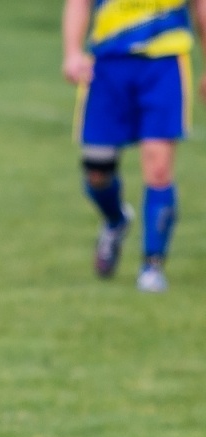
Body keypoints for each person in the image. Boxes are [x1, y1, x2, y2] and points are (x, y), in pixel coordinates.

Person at [63, 0, 206, 291]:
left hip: (164, 63)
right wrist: (72, 52)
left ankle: (152, 266)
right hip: (107, 64)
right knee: (97, 170)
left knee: (158, 168)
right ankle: (116, 220)